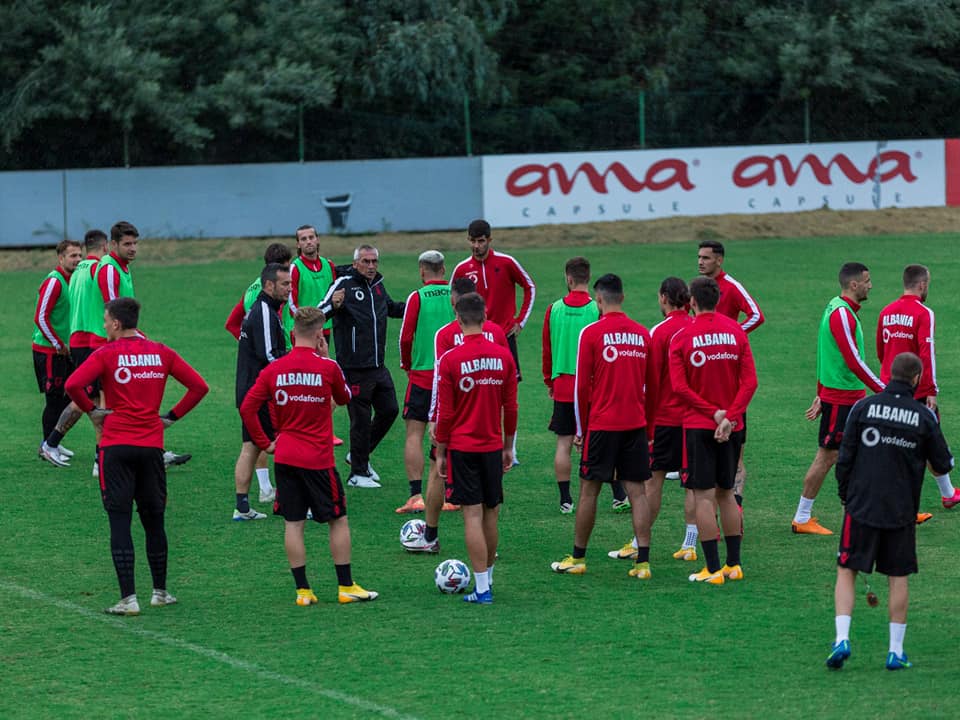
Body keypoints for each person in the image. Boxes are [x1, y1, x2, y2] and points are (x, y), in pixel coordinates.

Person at [64, 297, 208, 615]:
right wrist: (170, 417)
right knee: (154, 520)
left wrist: (93, 412)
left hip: (115, 447)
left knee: (120, 521)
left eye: (106, 320)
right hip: (151, 447)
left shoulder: (106, 353)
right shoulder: (161, 352)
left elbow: (73, 384)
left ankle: (128, 599)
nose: (104, 325)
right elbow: (199, 387)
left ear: (116, 323)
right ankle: (160, 592)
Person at [239, 307, 377, 605]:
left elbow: (247, 408)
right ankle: (345, 586)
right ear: (319, 336)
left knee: (294, 523)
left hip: (285, 457)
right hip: (318, 459)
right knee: (338, 519)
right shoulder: (327, 368)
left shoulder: (274, 370)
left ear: (292, 334)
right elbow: (344, 398)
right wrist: (327, 358)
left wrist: (265, 443)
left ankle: (303, 591)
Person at [826, 352, 953, 671]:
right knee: (898, 577)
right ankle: (895, 651)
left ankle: (842, 639)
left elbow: (845, 457)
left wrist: (846, 496)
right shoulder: (924, 416)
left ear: (890, 375)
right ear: (916, 379)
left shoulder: (864, 407)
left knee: (846, 570)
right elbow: (943, 462)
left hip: (861, 504)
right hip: (901, 509)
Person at [40, 224, 190, 472]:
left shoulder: (84, 270)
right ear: (109, 245)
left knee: (102, 400)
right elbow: (113, 307)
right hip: (99, 342)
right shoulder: (106, 269)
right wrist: (135, 337)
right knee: (102, 401)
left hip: (87, 339)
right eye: (127, 244)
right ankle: (89, 455)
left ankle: (138, 451)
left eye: (135, 243)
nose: (133, 248)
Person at [550, 274, 656, 580]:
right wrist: (648, 430)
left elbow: (581, 387)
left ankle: (578, 558)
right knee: (637, 493)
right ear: (623, 297)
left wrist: (581, 430)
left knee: (588, 492)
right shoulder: (642, 334)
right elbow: (652, 387)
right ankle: (643, 563)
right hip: (635, 424)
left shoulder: (591, 333)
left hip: (602, 425)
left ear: (599, 300)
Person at [403, 278, 508, 554]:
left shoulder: (446, 334)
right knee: (489, 494)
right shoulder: (497, 333)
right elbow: (507, 382)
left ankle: (430, 535)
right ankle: (488, 547)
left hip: (457, 422)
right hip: (489, 423)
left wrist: (434, 417)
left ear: (454, 304)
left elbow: (440, 379)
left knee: (438, 472)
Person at [669, 276, 758, 584]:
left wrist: (713, 413)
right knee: (727, 494)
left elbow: (679, 387)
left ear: (691, 301)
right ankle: (734, 565)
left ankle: (712, 569)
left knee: (703, 497)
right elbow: (750, 382)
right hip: (732, 428)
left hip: (699, 426)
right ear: (718, 300)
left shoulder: (682, 337)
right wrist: (730, 417)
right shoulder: (736, 331)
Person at [608, 277, 698, 562]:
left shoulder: (658, 332)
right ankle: (690, 544)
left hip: (665, 419)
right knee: (694, 483)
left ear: (664, 298)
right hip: (696, 419)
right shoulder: (696, 328)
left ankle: (639, 542)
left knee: (653, 481)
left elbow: (649, 381)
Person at [435, 292, 518, 603]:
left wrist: (441, 451)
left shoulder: (450, 360)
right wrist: (508, 446)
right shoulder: (504, 357)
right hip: (492, 445)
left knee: (471, 515)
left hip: (462, 447)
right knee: (491, 513)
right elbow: (511, 407)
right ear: (485, 317)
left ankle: (482, 588)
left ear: (458, 319)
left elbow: (446, 413)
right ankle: (488, 579)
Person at [792, 262, 884, 535]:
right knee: (827, 456)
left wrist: (820, 392)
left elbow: (824, 353)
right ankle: (801, 517)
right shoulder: (842, 314)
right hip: (842, 399)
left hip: (846, 396)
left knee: (868, 452)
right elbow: (853, 361)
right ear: (854, 285)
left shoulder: (837, 307)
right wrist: (887, 391)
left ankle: (880, 509)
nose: (870, 286)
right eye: (867, 281)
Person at [876, 264, 960, 515]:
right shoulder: (924, 313)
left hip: (888, 386)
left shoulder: (886, 311)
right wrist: (930, 388)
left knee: (894, 442)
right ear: (922, 284)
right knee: (925, 441)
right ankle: (910, 500)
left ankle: (948, 493)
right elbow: (926, 353)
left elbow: (881, 350)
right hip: (916, 390)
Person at [320, 245, 405, 488]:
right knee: (361, 419)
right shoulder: (343, 284)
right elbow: (319, 311)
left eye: (374, 261)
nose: (371, 266)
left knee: (390, 410)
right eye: (366, 261)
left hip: (378, 365)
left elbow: (390, 307)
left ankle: (359, 455)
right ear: (355, 262)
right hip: (354, 367)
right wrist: (333, 306)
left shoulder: (377, 285)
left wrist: (416, 304)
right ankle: (357, 474)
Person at [451, 219, 535, 463]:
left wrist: (520, 321)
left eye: (481, 241)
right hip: (476, 338)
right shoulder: (461, 269)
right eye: (472, 241)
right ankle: (480, 442)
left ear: (489, 239)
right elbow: (453, 301)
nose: (476, 246)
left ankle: (510, 449)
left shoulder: (506, 263)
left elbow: (529, 287)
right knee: (479, 391)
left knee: (508, 395)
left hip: (504, 338)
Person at [224, 242, 294, 504]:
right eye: (284, 284)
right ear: (269, 286)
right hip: (259, 393)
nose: (289, 289)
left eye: (290, 283)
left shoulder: (265, 309)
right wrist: (297, 364)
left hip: (248, 389)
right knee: (284, 442)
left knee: (251, 447)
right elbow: (270, 355)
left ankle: (242, 506)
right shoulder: (264, 311)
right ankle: (285, 498)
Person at [697, 240, 764, 507]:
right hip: (705, 374)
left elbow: (756, 315)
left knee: (734, 455)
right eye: (699, 257)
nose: (700, 262)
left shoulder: (732, 286)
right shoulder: (699, 289)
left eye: (706, 258)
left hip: (729, 376)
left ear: (719, 260)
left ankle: (735, 507)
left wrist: (732, 336)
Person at [541, 257, 601, 514]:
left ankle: (566, 500)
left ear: (568, 278)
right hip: (592, 386)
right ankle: (619, 495)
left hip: (564, 385)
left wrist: (549, 380)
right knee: (599, 441)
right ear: (588, 278)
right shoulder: (596, 309)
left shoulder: (553, 309)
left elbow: (547, 350)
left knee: (563, 443)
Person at [396, 250, 454, 514]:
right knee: (450, 433)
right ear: (444, 269)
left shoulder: (417, 297)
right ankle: (450, 493)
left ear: (422, 271)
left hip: (423, 374)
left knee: (414, 434)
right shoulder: (456, 295)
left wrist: (407, 365)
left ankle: (416, 495)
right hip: (453, 374)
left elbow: (405, 336)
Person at [32, 239, 82, 450]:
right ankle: (47, 445)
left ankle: (52, 442)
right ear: (61, 258)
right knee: (54, 400)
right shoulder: (54, 282)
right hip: (49, 351)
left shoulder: (74, 280)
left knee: (70, 396)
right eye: (73, 256)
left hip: (64, 350)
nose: (77, 260)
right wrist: (58, 343)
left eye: (80, 255)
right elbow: (40, 317)